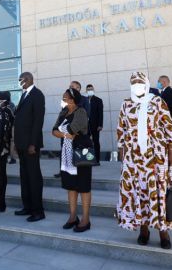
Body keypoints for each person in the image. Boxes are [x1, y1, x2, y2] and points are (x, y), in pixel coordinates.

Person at [116, 72, 172, 249]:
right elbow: (121, 128)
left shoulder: (157, 101)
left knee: (158, 190)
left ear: (146, 83)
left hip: (156, 155)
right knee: (138, 190)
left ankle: (163, 231)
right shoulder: (126, 104)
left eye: (139, 81)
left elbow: (168, 125)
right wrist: (121, 148)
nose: (137, 84)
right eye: (133, 82)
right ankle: (143, 229)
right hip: (133, 157)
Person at [53, 88, 92, 232]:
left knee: (83, 186)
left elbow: (72, 130)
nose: (63, 100)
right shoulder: (63, 112)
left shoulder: (81, 112)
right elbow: (54, 130)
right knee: (70, 186)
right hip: (67, 153)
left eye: (65, 98)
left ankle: (86, 219)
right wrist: (64, 134)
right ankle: (73, 216)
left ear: (73, 100)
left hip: (82, 152)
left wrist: (62, 133)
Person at [13, 72, 46, 222]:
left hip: (30, 145)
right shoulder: (24, 94)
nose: (20, 82)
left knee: (33, 177)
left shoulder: (37, 95)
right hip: (21, 144)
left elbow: (38, 121)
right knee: (24, 177)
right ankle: (27, 207)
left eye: (22, 80)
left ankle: (38, 211)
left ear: (29, 79)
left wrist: (33, 143)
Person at [86, 84, 104, 161]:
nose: (90, 91)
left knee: (96, 142)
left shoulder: (98, 100)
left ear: (93, 90)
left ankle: (97, 159)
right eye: (88, 89)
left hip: (95, 125)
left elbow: (100, 113)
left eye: (91, 89)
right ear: (86, 91)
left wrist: (100, 125)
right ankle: (88, 159)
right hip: (85, 126)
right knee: (86, 142)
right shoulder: (84, 100)